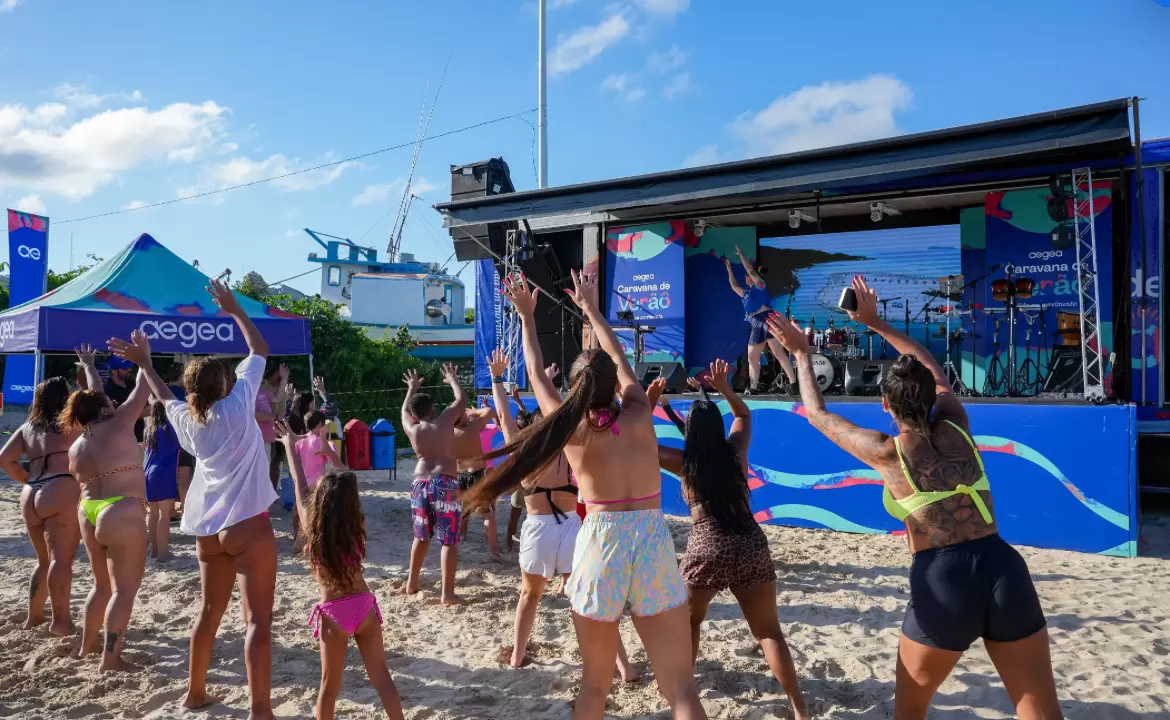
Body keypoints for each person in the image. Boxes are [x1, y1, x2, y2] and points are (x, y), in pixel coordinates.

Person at [765, 275, 1062, 720]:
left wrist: (803, 355)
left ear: (885, 404)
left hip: (943, 580)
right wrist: (875, 322)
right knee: (1038, 709)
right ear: (930, 396)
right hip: (1003, 568)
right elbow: (932, 367)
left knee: (911, 711)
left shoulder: (887, 452)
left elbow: (816, 413)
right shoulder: (957, 422)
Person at [466, 271, 707, 720]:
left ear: (575, 391)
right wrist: (593, 309)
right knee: (681, 689)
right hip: (652, 540)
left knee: (594, 686)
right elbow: (617, 355)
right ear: (615, 385)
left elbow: (536, 373)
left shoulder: (571, 430)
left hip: (600, 541)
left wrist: (525, 318)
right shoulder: (638, 412)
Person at [110, 278, 278, 719]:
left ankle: (195, 692)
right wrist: (235, 310)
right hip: (248, 524)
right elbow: (259, 349)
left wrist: (146, 363)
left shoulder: (188, 419)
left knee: (207, 614)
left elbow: (164, 396)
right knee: (258, 621)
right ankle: (261, 710)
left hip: (208, 528)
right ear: (225, 383)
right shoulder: (240, 401)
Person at [650, 360, 808, 720]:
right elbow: (744, 416)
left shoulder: (683, 462)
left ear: (689, 431)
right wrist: (724, 388)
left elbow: (642, 440)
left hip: (708, 544)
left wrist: (650, 404)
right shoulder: (735, 453)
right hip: (749, 539)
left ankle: (686, 695)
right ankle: (800, 709)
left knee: (689, 622)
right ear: (717, 428)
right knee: (768, 632)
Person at [488, 348, 639, 679]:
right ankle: (623, 666)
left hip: (539, 528)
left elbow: (503, 415)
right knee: (588, 602)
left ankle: (516, 657)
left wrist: (498, 378)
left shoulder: (525, 450)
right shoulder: (574, 441)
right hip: (573, 527)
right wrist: (560, 385)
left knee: (529, 595)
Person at [276, 422, 405, 720]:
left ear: (320, 503)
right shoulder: (357, 523)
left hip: (333, 612)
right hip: (364, 605)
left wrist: (289, 447)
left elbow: (299, 486)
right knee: (383, 679)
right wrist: (331, 456)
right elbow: (347, 478)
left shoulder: (312, 529)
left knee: (328, 687)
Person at [62, 346, 151, 671]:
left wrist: (88, 365)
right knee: (124, 590)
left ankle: (87, 649)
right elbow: (142, 390)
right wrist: (144, 361)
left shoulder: (79, 443)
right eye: (109, 404)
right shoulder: (118, 424)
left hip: (88, 510)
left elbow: (94, 397)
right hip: (121, 510)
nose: (114, 404)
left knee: (101, 586)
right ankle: (110, 660)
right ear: (101, 412)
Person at [0, 368, 82, 636]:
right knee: (61, 561)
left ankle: (34, 617)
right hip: (60, 487)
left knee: (44, 561)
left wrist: (25, 479)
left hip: (31, 492)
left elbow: (4, 458)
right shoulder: (72, 423)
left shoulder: (28, 428)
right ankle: (61, 622)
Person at [400, 364, 469, 604]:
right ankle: (447, 594)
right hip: (444, 482)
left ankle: (411, 584)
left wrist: (411, 389)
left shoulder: (413, 429)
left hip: (420, 482)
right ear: (432, 408)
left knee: (421, 537)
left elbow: (402, 412)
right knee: (449, 540)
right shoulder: (443, 421)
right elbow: (462, 399)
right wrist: (451, 379)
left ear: (414, 415)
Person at [724, 245, 796, 395]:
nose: (745, 277)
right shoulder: (745, 294)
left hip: (768, 320)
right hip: (756, 324)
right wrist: (729, 268)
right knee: (751, 357)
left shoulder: (760, 286)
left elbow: (750, 269)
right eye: (745, 276)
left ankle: (793, 383)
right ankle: (753, 387)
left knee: (778, 353)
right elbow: (733, 285)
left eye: (747, 276)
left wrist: (741, 254)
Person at [455, 404, 502, 562]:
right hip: (477, 473)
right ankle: (495, 552)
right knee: (488, 514)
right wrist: (475, 411)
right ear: (462, 417)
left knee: (463, 510)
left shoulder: (448, 432)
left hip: (459, 474)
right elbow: (491, 412)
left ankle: (462, 538)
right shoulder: (474, 428)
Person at [143, 395, 181, 562]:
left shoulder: (149, 429)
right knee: (164, 515)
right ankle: (164, 553)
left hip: (147, 472)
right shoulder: (170, 428)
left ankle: (155, 550)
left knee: (152, 513)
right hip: (164, 472)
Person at [166, 364, 196, 516]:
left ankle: (170, 508)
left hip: (165, 438)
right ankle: (185, 507)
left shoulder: (162, 392)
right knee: (185, 473)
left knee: (169, 474)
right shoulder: (185, 394)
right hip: (182, 437)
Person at [255, 362, 290, 491]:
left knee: (265, 471)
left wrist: (284, 379)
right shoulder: (246, 394)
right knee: (257, 473)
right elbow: (252, 415)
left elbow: (277, 398)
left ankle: (264, 504)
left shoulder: (263, 392)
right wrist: (272, 416)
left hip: (267, 439)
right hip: (254, 439)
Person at [103, 355, 147, 442]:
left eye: (129, 368)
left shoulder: (130, 384)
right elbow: (118, 418)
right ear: (114, 371)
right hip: (122, 440)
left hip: (137, 436)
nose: (129, 370)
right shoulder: (108, 391)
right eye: (124, 369)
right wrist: (145, 413)